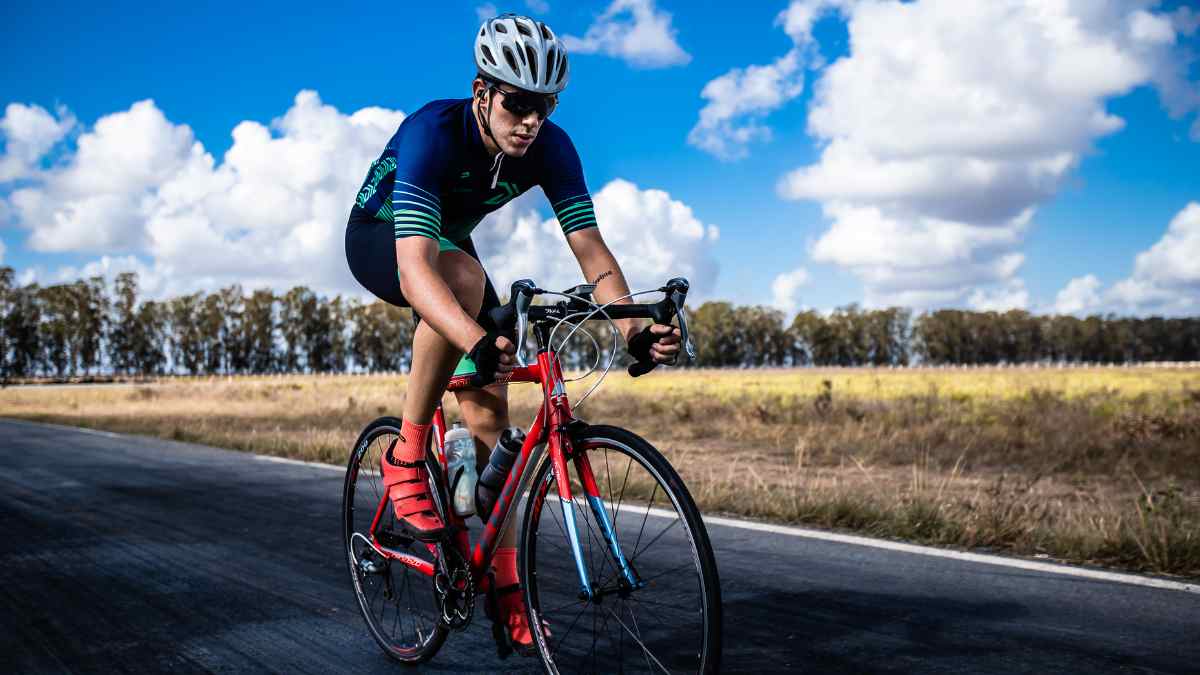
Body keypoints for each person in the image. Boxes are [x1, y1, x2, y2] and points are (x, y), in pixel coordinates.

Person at [344, 13, 681, 656]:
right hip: (383, 235)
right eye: (518, 104)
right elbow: (417, 272)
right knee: (465, 288)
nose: (530, 121)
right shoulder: (432, 133)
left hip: (449, 244)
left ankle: (504, 590)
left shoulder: (551, 148)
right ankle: (407, 454)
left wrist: (635, 331)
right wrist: (472, 339)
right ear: (482, 91)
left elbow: (593, 253)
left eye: (544, 107)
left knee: (493, 417)